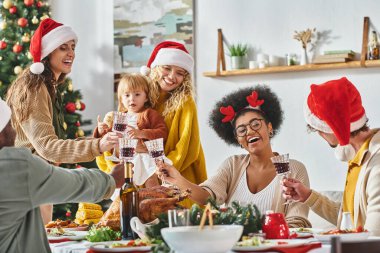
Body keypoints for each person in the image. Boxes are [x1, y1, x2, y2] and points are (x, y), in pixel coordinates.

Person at [5, 18, 120, 223]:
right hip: (25, 185)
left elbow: (50, 142)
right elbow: (47, 147)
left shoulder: (46, 85)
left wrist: (98, 142)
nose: (71, 53)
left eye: (73, 47)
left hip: (32, 181)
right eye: (63, 48)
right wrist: (98, 146)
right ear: (48, 52)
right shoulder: (34, 88)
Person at [157, 86, 311, 227]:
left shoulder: (294, 169)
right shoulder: (232, 165)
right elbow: (206, 197)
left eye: (255, 124)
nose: (249, 131)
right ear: (238, 140)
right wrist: (177, 179)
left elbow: (297, 222)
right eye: (242, 130)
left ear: (269, 127)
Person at [0, 98, 124, 253]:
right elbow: (74, 183)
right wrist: (111, 179)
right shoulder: (14, 165)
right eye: (10, 124)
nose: (14, 130)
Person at [282, 77, 380, 235]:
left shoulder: (377, 165)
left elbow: (374, 237)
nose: (320, 134)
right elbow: (352, 223)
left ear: (331, 128)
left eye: (317, 129)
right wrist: (308, 196)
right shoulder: (360, 157)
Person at [141, 41, 207, 208]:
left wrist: (164, 170)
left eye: (180, 73)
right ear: (156, 68)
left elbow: (188, 145)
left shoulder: (185, 101)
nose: (172, 76)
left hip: (180, 175)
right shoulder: (140, 96)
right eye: (167, 68)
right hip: (146, 177)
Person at [95, 73, 168, 187]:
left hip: (144, 156)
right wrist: (101, 130)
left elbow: (162, 133)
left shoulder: (149, 114)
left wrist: (141, 133)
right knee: (123, 186)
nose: (132, 99)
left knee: (150, 179)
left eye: (137, 94)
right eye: (127, 95)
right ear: (121, 99)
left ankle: (154, 200)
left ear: (146, 97)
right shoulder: (119, 117)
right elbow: (109, 138)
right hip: (125, 158)